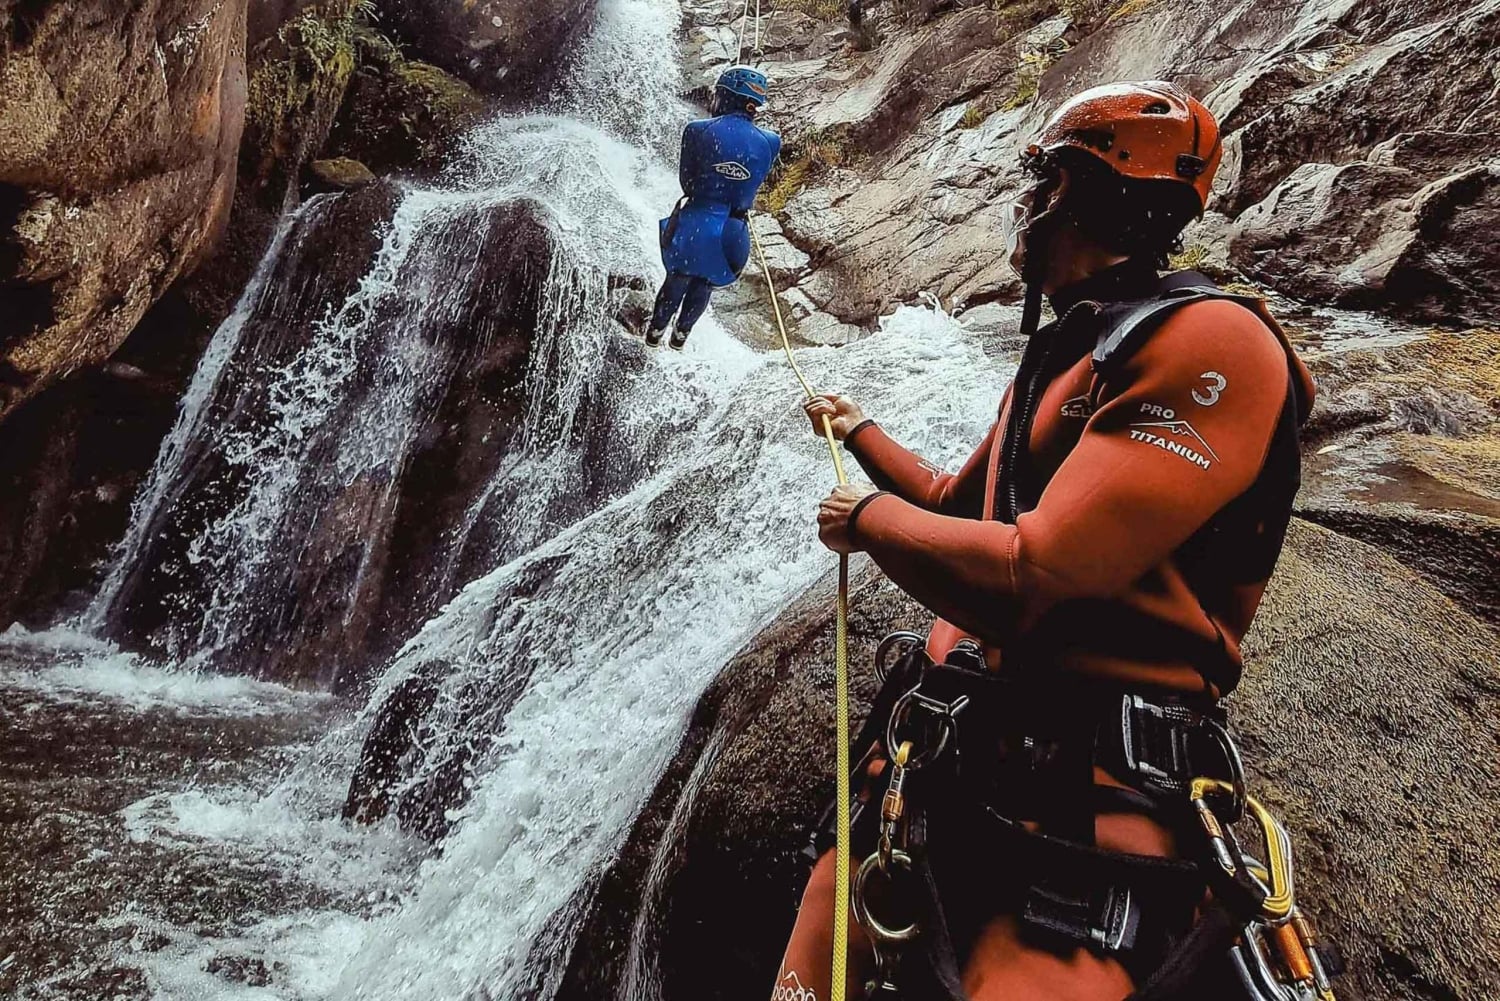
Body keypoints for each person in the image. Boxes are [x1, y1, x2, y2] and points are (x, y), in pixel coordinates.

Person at [775, 82, 1321, 1001]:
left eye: (1040, 183)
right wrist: (860, 431)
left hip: (1085, 809)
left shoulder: (1214, 339)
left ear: (1076, 192)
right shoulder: (1071, 351)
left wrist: (866, 523)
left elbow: (1038, 573)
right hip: (943, 765)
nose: (1023, 207)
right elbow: (957, 503)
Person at [647, 65, 781, 350]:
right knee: (705, 281)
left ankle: (655, 331)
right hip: (733, 234)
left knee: (679, 275)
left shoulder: (697, 130)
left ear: (726, 96)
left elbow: (687, 182)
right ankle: (681, 335)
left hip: (696, 224)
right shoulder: (771, 141)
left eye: (717, 94)